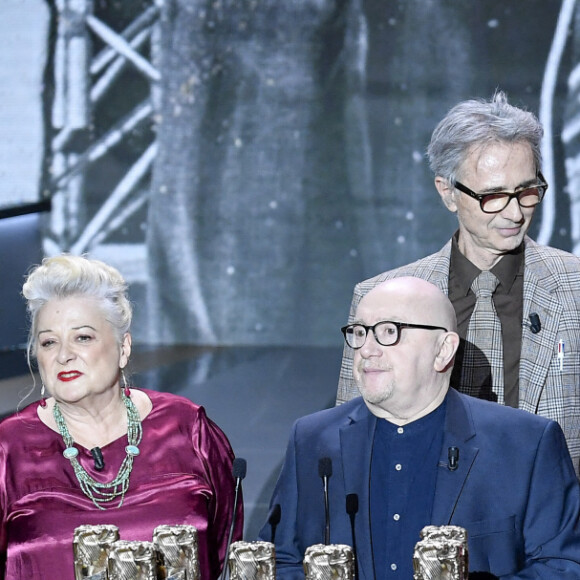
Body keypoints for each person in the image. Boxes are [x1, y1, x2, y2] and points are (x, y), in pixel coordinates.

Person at [260, 277, 580, 579]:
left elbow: (564, 567)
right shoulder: (312, 438)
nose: (367, 349)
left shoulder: (526, 444)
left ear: (442, 350)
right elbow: (282, 559)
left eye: (389, 331)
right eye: (360, 332)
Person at [336, 91, 580, 477]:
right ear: (447, 192)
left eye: (527, 191)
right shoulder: (380, 298)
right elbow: (353, 438)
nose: (515, 212)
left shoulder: (574, 288)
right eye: (493, 196)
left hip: (550, 526)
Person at [0, 254, 243, 579]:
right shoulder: (8, 449)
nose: (63, 355)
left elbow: (224, 551)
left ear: (123, 347)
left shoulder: (188, 429)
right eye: (48, 342)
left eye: (82, 337)